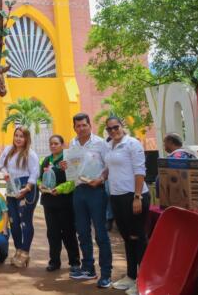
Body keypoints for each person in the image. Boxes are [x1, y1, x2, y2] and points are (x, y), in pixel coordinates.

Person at [61, 113, 113, 288]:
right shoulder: (72, 144)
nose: (81, 128)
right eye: (78, 126)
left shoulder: (100, 143)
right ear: (74, 127)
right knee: (82, 232)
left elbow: (109, 166)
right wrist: (65, 166)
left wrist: (101, 179)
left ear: (90, 125)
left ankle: (106, 273)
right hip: (79, 191)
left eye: (84, 125)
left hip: (96, 190)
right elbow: (72, 166)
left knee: (100, 233)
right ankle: (88, 268)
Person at [104, 117, 150, 295]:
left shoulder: (132, 144)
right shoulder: (109, 145)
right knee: (127, 238)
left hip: (133, 196)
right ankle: (131, 276)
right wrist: (101, 177)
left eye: (116, 127)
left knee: (137, 238)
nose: (113, 131)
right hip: (116, 197)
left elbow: (140, 171)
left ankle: (144, 279)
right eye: (109, 129)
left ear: (122, 127)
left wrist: (137, 197)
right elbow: (110, 168)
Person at [0, 125, 40, 268]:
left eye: (21, 136)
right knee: (13, 222)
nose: (18, 138)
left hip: (26, 188)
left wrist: (27, 188)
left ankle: (25, 252)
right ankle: (18, 250)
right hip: (11, 187)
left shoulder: (30, 154)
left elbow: (35, 173)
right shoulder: (8, 150)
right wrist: (5, 173)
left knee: (25, 222)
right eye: (16, 135)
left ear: (26, 138)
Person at [39, 134, 80, 273]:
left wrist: (60, 189)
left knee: (68, 232)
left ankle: (74, 262)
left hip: (65, 202)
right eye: (51, 143)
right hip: (49, 202)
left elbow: (73, 180)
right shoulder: (45, 160)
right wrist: (41, 186)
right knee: (53, 233)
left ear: (62, 145)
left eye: (56, 143)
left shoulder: (67, 160)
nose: (53, 146)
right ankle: (54, 261)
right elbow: (39, 179)